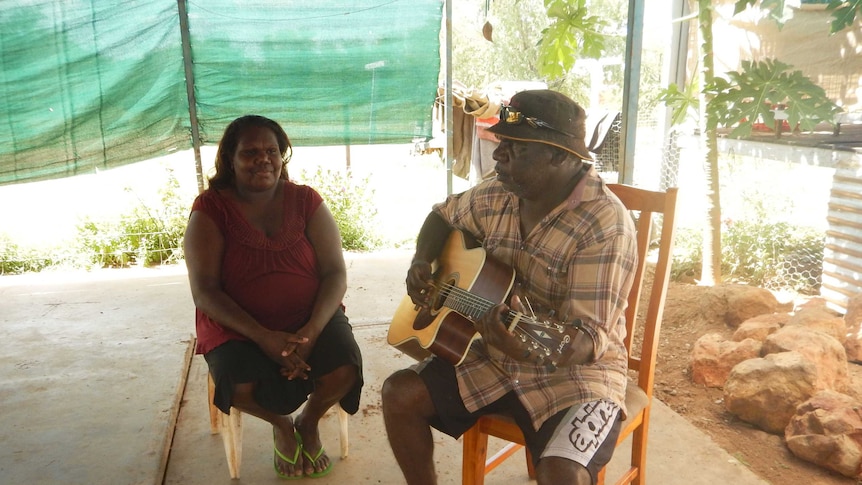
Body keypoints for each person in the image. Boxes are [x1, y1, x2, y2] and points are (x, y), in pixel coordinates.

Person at [381, 90, 638, 485]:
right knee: (399, 394)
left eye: (516, 148)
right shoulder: (498, 190)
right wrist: (422, 260)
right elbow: (442, 216)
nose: (499, 155)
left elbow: (585, 340)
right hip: (492, 357)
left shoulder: (604, 225)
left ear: (559, 156)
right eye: (502, 143)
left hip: (579, 374)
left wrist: (520, 344)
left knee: (561, 474)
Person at [184, 115, 362, 479]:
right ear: (229, 160)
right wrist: (264, 337)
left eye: (271, 151)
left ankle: (308, 423)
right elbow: (205, 291)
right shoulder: (210, 210)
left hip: (309, 318)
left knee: (345, 366)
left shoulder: (306, 201)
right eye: (250, 152)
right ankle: (282, 426)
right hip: (237, 325)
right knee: (237, 380)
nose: (263, 159)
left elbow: (335, 273)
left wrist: (311, 330)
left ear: (283, 156)